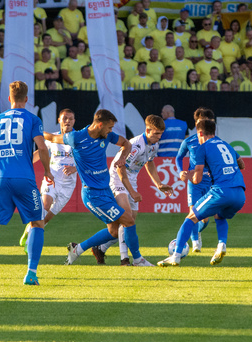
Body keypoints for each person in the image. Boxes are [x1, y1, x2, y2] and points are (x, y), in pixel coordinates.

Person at [0, 81, 53, 286]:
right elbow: (42, 148)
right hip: (24, 179)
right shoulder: (32, 119)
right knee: (37, 222)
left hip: (0, 179)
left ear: (9, 98)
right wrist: (47, 170)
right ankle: (31, 274)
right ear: (27, 99)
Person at [46, 110, 147, 266]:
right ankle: (138, 260)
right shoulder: (76, 138)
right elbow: (52, 138)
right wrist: (34, 132)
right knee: (128, 220)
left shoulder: (105, 136)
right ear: (100, 125)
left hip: (105, 190)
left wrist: (121, 158)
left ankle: (77, 249)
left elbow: (126, 143)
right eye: (109, 127)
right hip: (93, 194)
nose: (111, 131)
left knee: (114, 232)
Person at [160, 118, 245, 266]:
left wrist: (188, 176)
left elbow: (197, 180)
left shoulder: (202, 147)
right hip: (240, 193)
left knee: (190, 217)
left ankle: (176, 255)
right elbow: (241, 164)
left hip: (221, 191)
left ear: (200, 133)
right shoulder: (226, 145)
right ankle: (221, 245)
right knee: (219, 215)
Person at [92, 115, 173, 266]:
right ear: (147, 130)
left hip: (132, 178)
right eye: (156, 133)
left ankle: (100, 248)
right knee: (126, 217)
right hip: (117, 176)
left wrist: (159, 184)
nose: (159, 137)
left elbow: (150, 163)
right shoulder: (136, 145)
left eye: (161, 134)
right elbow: (121, 168)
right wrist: (132, 192)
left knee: (128, 222)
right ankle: (125, 260)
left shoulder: (154, 145)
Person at [18, 109, 78, 252]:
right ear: (59, 120)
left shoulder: (79, 139)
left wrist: (74, 168)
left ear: (74, 121)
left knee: (46, 219)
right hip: (52, 178)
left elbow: (87, 160)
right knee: (44, 206)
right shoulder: (53, 137)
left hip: (68, 184)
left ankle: (28, 230)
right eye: (65, 118)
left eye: (70, 118)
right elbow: (40, 152)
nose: (67, 121)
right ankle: (31, 243)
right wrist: (24, 164)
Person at [175, 107, 215, 252]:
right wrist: (181, 172)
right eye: (203, 121)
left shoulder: (215, 141)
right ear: (197, 122)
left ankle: (196, 230)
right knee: (193, 212)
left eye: (208, 121)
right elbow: (179, 157)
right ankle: (195, 242)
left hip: (211, 183)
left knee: (204, 219)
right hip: (195, 182)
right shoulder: (189, 141)